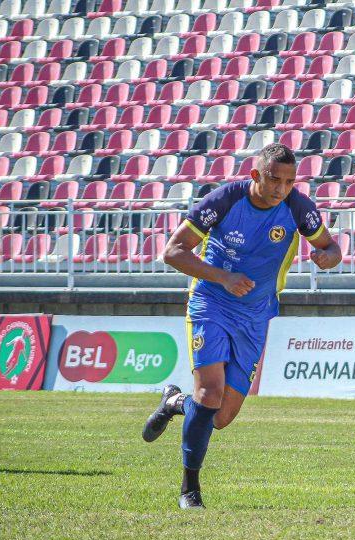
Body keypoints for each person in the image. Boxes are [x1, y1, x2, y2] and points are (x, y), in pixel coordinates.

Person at [140, 143, 343, 509]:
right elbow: (173, 251)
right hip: (212, 304)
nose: (282, 188)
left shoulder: (298, 207)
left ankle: (174, 402)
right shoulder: (225, 200)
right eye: (274, 180)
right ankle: (190, 488)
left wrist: (327, 258)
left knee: (221, 416)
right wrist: (223, 278)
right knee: (209, 395)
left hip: (255, 316)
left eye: (289, 181)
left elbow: (332, 247)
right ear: (255, 175)